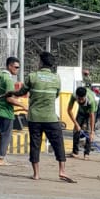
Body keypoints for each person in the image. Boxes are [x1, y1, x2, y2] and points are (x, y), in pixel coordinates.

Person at [22, 50, 74, 183]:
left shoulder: (32, 76)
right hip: (51, 117)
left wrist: (11, 93)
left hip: (34, 117)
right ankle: (62, 171)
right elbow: (56, 95)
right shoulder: (56, 78)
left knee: (35, 145)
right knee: (58, 144)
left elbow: (22, 91)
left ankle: (36, 174)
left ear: (40, 63)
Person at [0, 56, 23, 166]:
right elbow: (9, 99)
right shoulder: (8, 80)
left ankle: (0, 157)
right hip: (6, 111)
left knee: (2, 134)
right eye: (16, 67)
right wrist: (23, 105)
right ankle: (0, 159)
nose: (17, 69)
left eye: (18, 67)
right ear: (9, 66)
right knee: (6, 135)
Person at [69, 82, 98, 157]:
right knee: (76, 130)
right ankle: (75, 152)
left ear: (85, 96)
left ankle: (86, 153)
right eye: (79, 99)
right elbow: (69, 110)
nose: (80, 101)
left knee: (88, 133)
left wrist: (92, 131)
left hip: (91, 111)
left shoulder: (91, 101)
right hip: (81, 111)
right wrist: (76, 124)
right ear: (77, 96)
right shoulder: (74, 96)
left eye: (82, 99)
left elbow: (92, 116)